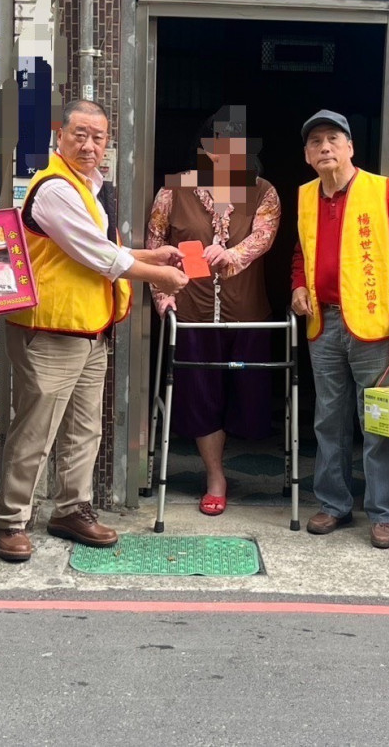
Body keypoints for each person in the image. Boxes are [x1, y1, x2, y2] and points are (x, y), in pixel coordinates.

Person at [0, 99, 188, 562]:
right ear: (60, 135)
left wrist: (149, 256)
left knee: (84, 430)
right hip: (51, 330)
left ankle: (70, 509)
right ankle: (10, 521)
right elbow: (95, 255)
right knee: (36, 431)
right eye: (80, 134)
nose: (89, 144)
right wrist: (156, 276)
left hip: (89, 328)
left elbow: (104, 248)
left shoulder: (89, 186)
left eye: (98, 137)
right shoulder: (55, 188)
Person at [290, 110, 389, 549]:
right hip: (322, 323)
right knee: (329, 419)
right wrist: (299, 286)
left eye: (333, 139)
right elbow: (299, 253)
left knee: (378, 420)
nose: (325, 147)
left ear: (350, 148)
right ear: (307, 156)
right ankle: (334, 505)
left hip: (375, 329)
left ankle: (383, 513)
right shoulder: (306, 196)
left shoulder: (378, 190)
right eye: (315, 142)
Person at [145, 106, 281, 515]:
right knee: (201, 398)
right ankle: (215, 475)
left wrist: (231, 252)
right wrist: (162, 298)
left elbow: (263, 236)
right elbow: (156, 248)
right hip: (192, 315)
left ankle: (256, 470)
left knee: (247, 397)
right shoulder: (173, 191)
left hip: (248, 315)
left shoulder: (263, 191)